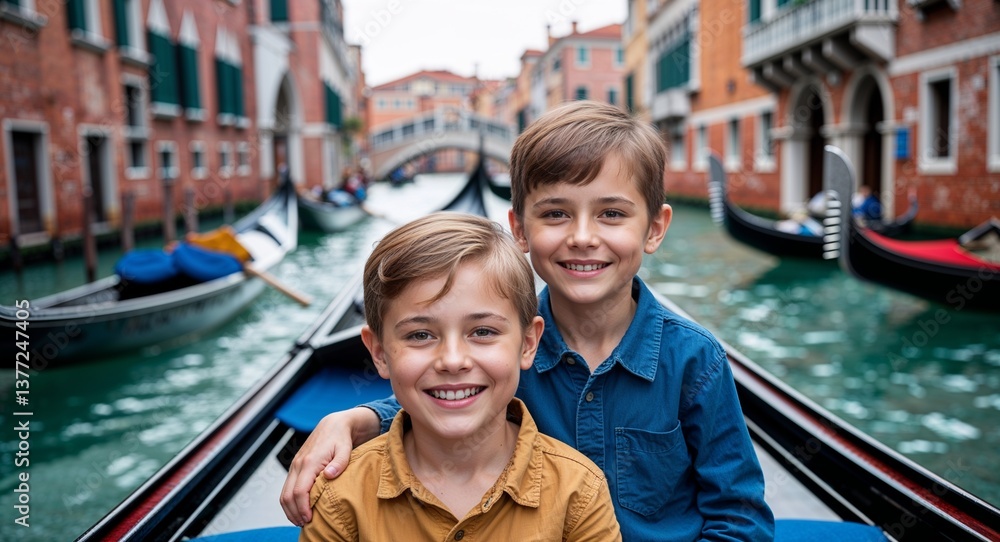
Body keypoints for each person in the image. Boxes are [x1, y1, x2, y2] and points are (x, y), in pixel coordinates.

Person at [283, 101, 774, 541]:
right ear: (519, 228)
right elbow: (442, 398)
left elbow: (739, 520)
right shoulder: (498, 345)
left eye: (611, 214)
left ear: (654, 228)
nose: (582, 237)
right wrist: (354, 420)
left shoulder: (694, 359)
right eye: (556, 214)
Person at [300, 212, 621, 541]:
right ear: (379, 353)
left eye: (482, 331)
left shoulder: (579, 494)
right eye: (420, 335)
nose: (452, 361)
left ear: (527, 344)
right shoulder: (340, 497)